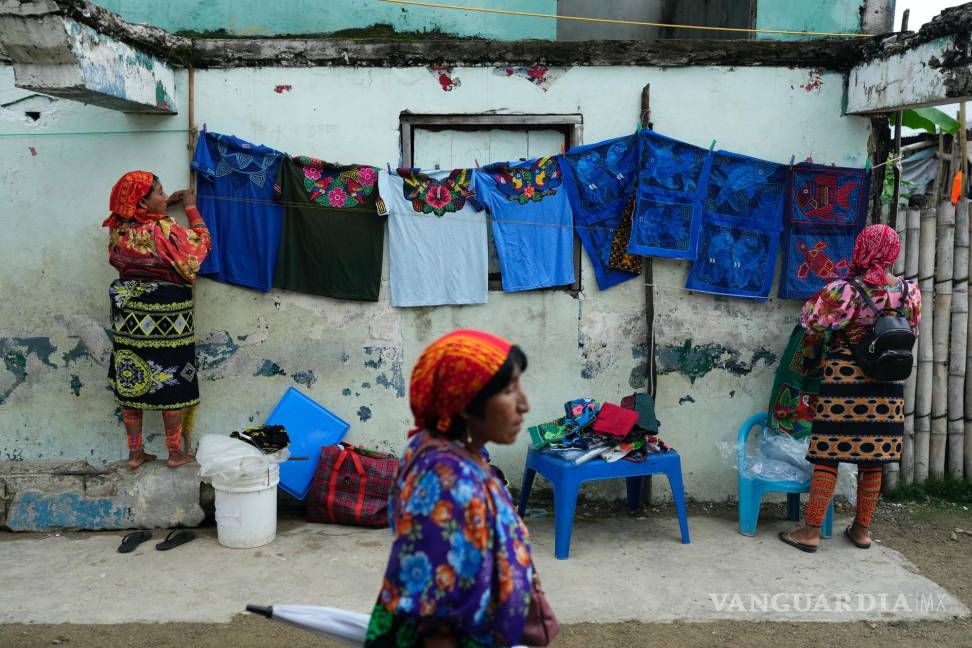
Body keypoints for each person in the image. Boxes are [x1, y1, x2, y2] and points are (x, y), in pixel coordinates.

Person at [365, 329, 535, 648]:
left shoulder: (457, 452)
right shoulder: (444, 479)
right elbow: (432, 613)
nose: (524, 404)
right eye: (510, 391)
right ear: (465, 403)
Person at [780, 224, 921, 553]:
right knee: (873, 457)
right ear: (892, 253)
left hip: (844, 380)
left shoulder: (843, 290)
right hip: (887, 385)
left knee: (828, 455)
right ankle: (861, 530)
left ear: (862, 248)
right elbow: (910, 330)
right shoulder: (909, 292)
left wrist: (818, 355)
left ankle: (810, 532)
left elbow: (811, 326)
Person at [103, 171, 211, 470]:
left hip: (130, 318)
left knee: (131, 378)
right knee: (173, 379)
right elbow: (200, 249)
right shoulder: (163, 230)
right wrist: (189, 206)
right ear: (143, 201)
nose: (165, 197)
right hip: (167, 317)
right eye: (159, 193)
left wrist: (165, 206)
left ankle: (135, 454)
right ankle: (175, 453)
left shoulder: (118, 230)